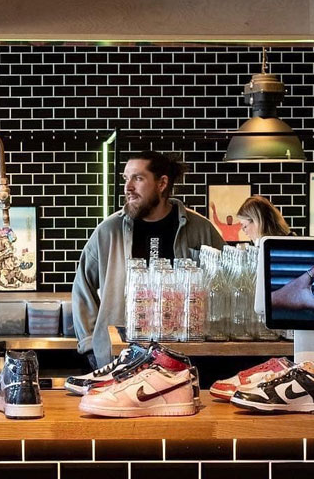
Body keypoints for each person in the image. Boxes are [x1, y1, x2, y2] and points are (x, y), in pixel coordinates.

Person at [72, 151, 224, 367]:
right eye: (126, 178)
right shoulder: (109, 231)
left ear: (162, 183)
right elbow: (82, 288)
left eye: (138, 178)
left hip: (184, 357)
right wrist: (89, 344)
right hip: (121, 358)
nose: (128, 187)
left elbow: (225, 285)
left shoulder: (200, 229)